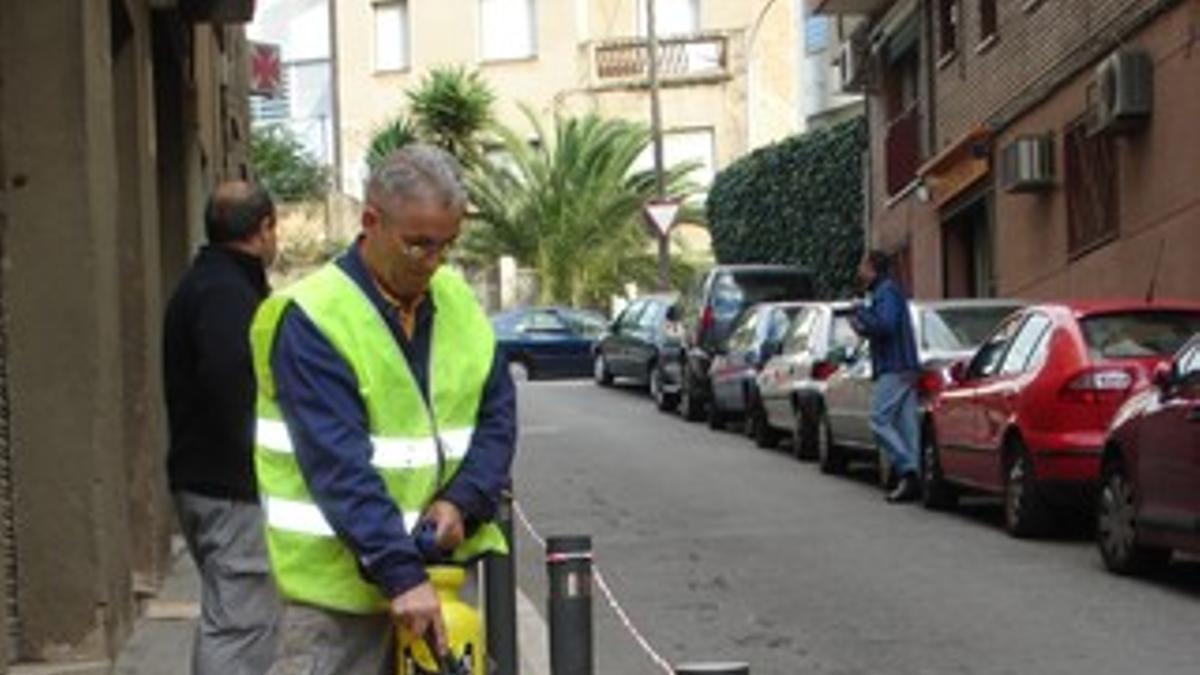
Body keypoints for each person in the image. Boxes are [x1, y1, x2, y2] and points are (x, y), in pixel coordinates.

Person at [254, 145, 516, 675]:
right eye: (418, 244)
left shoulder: (455, 300)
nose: (433, 262)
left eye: (447, 245)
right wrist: (400, 572)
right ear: (370, 221)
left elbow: (496, 416)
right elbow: (337, 464)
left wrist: (462, 501)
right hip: (333, 597)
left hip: (431, 579)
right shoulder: (314, 317)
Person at [163, 181, 281, 675]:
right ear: (265, 229)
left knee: (233, 614)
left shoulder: (207, 283)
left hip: (205, 481)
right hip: (231, 489)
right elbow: (233, 387)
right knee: (240, 625)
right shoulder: (226, 294)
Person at [851, 249, 922, 503]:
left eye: (862, 265)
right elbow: (882, 325)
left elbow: (886, 326)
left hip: (894, 365)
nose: (860, 271)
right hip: (905, 365)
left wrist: (860, 313)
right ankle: (913, 480)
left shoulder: (885, 292)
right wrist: (864, 325)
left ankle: (908, 470)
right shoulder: (888, 291)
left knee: (879, 420)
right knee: (906, 427)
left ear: (872, 268)